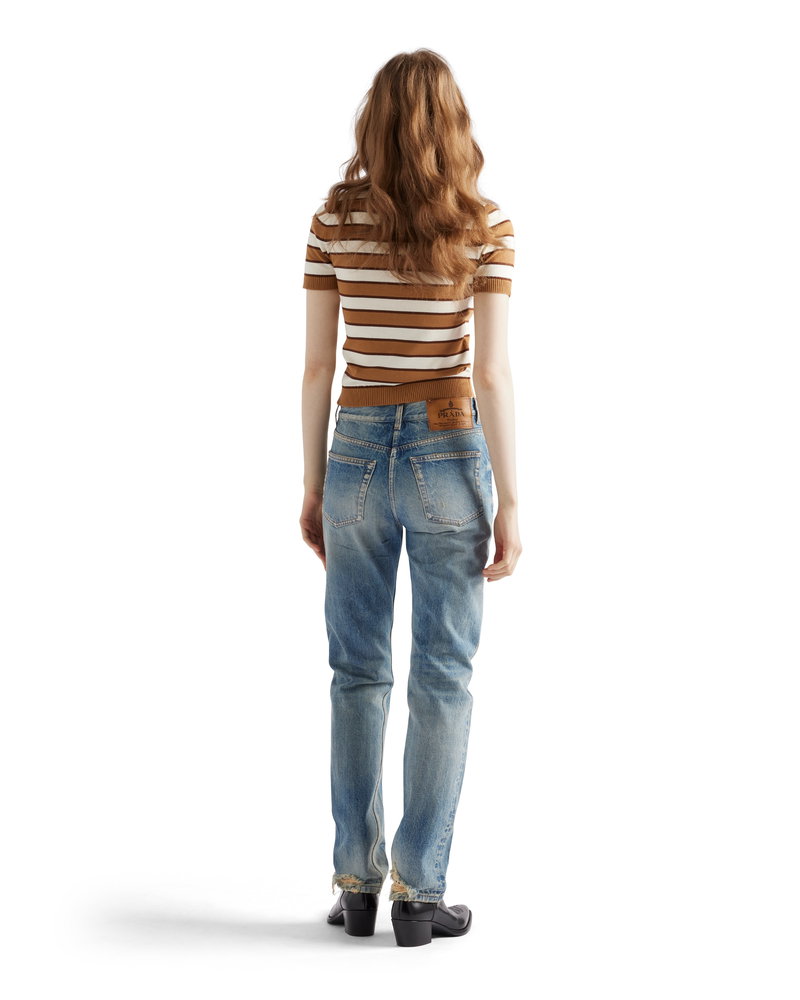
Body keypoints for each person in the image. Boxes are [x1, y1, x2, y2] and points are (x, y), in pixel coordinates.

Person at [299, 48, 522, 947]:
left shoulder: (332, 220)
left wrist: (313, 484)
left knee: (356, 672)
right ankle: (418, 896)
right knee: (443, 676)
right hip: (447, 447)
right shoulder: (485, 225)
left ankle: (356, 885)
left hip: (354, 448)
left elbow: (317, 367)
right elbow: (492, 375)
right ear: (453, 124)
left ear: (375, 120)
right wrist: (512, 502)